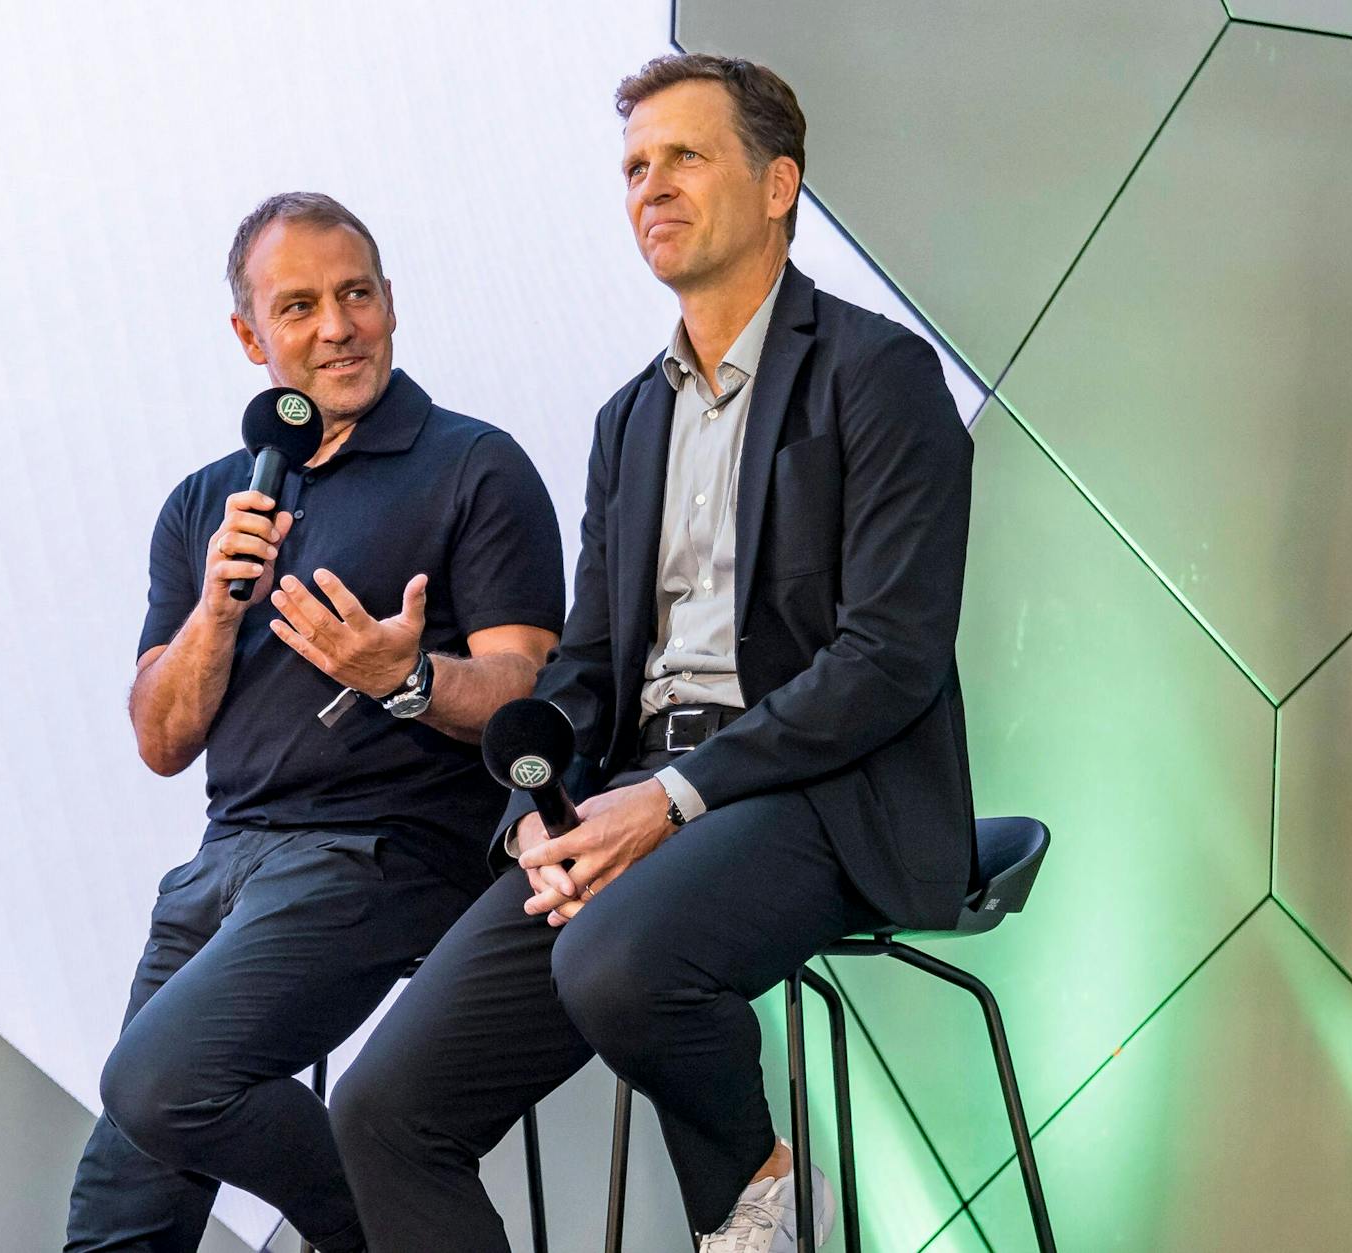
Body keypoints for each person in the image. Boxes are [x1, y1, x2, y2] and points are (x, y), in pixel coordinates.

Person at [332, 55, 976, 1253]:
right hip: (631, 800)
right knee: (380, 1110)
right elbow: (582, 668)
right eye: (634, 166)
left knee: (621, 962)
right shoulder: (627, 418)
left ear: (777, 182)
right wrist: (537, 806)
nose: (651, 186)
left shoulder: (876, 376)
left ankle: (759, 1195)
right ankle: (760, 1185)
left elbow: (889, 654)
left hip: (812, 792)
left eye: (684, 156)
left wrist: (670, 801)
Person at [65, 191, 564, 1253]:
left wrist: (406, 675)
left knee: (162, 1079)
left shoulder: (474, 464)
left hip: (385, 852)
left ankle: (408, 1219)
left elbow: (529, 686)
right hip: (222, 864)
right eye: (298, 306)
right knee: (119, 1217)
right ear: (251, 337)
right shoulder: (207, 504)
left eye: (355, 295)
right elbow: (159, 740)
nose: (335, 326)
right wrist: (214, 608)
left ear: (389, 303)